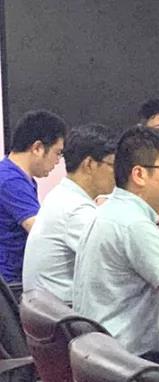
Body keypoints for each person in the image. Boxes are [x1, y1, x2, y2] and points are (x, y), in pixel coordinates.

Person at [72, 126, 159, 362]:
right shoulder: (133, 224)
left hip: (98, 354)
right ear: (139, 175)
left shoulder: (113, 210)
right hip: (127, 364)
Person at [23, 124, 116, 304]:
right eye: (113, 165)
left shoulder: (62, 195)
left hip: (49, 310)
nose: (118, 173)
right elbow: (117, 261)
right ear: (89, 164)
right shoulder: (76, 210)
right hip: (67, 314)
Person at [0, 110, 67, 284]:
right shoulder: (10, 181)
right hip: (9, 284)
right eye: (57, 153)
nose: (58, 161)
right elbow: (41, 233)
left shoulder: (20, 178)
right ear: (37, 148)